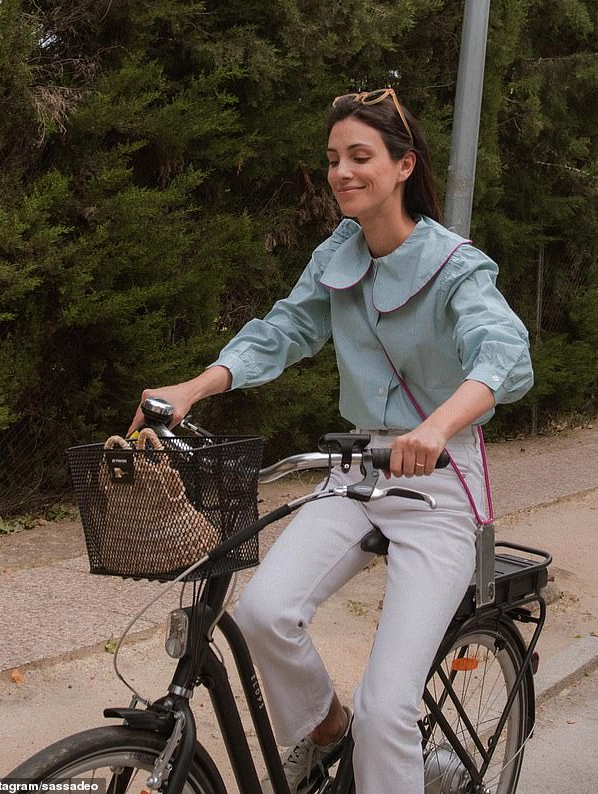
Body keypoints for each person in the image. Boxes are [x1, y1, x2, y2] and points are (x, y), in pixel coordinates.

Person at [129, 87, 533, 794]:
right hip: (354, 472)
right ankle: (324, 732)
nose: (343, 172)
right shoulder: (338, 255)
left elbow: (505, 356)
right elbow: (282, 332)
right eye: (333, 159)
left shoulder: (454, 264)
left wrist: (437, 427)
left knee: (388, 711)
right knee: (262, 611)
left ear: (404, 165)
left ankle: (373, 741)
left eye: (360, 156)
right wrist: (195, 387)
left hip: (437, 482)